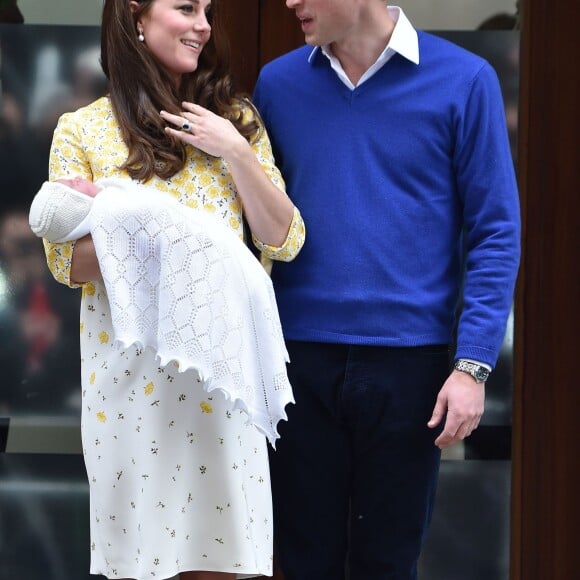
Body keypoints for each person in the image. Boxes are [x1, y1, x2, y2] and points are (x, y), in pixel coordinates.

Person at [252, 2, 521, 579]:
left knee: (388, 564)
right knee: (303, 564)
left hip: (412, 370)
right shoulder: (277, 83)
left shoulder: (466, 80)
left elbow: (495, 230)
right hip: (295, 360)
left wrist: (471, 366)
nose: (290, 2)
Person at [42, 1, 305, 579]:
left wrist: (233, 148)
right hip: (131, 392)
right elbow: (68, 260)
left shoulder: (237, 121)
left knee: (224, 564)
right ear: (135, 17)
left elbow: (283, 238)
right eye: (186, 7)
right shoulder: (83, 128)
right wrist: (172, 233)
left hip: (222, 386)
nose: (204, 23)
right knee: (140, 565)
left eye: (208, 9)